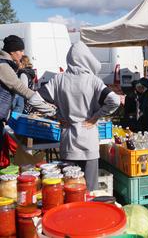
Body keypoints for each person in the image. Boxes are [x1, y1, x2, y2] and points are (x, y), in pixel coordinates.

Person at [38, 41, 121, 191]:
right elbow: (114, 100)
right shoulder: (93, 81)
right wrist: (96, 116)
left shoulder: (59, 79)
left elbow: (35, 98)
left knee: (70, 190)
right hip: (89, 140)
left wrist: (55, 114)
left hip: (68, 140)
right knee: (89, 190)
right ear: (87, 58)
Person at [0, 35, 55, 158]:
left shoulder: (5, 64)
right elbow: (21, 89)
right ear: (12, 51)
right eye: (20, 50)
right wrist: (50, 110)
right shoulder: (3, 66)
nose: (22, 53)